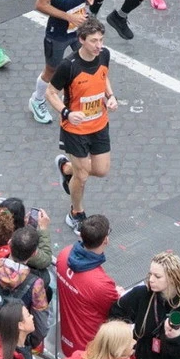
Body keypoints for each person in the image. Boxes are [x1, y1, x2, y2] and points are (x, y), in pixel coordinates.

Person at [50, 17, 116, 228]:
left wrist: (110, 96)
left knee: (102, 170)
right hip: (75, 129)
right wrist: (67, 113)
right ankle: (76, 213)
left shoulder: (104, 55)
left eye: (101, 40)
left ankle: (66, 168)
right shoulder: (68, 66)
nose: (99, 45)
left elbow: (104, 76)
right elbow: (51, 93)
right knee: (82, 176)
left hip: (99, 124)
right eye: (94, 41)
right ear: (81, 40)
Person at [55, 213, 121, 357]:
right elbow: (116, 312)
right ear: (106, 240)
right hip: (90, 352)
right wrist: (118, 294)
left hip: (67, 341)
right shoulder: (102, 285)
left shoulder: (64, 255)